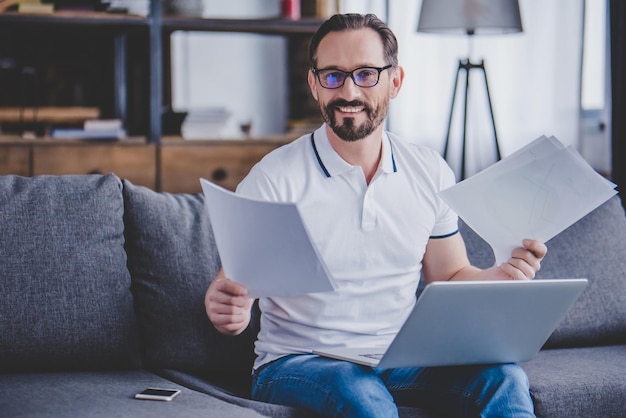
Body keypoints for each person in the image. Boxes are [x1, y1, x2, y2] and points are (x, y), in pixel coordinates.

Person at [205, 13, 547, 418]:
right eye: (333, 76)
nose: (348, 90)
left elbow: (450, 276)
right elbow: (234, 285)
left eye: (366, 74)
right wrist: (227, 306)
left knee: (505, 378)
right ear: (315, 84)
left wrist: (500, 275)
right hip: (298, 362)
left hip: (401, 357)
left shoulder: (429, 170)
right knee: (360, 392)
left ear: (395, 81)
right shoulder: (274, 178)